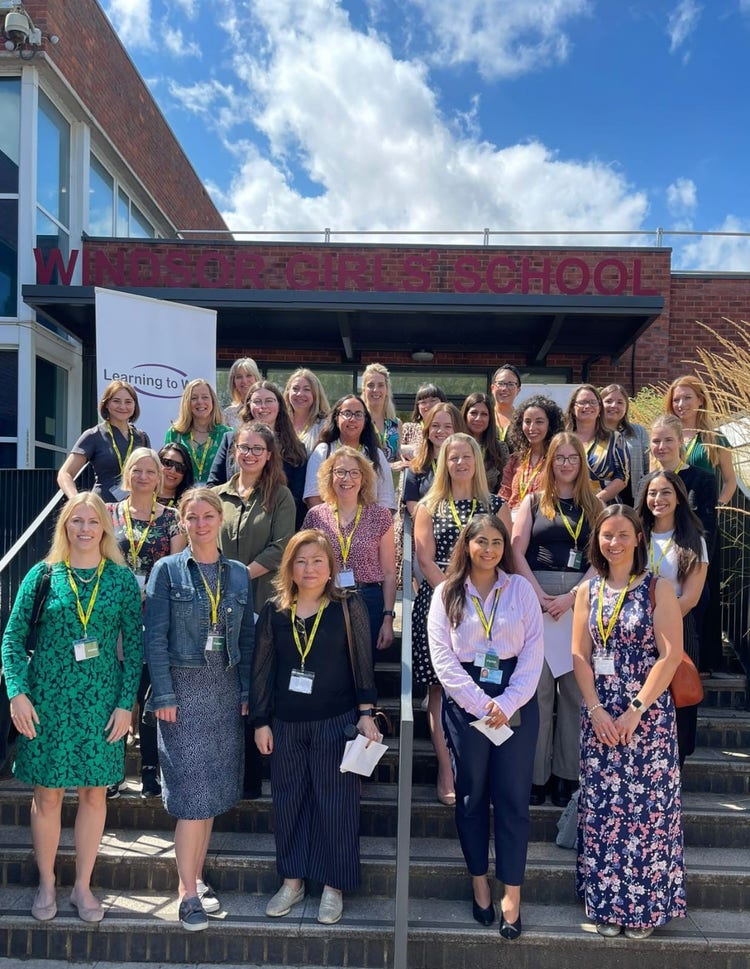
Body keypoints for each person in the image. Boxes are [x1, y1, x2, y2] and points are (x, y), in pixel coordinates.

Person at [1, 492, 142, 923]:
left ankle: (82, 886)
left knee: (94, 794)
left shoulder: (119, 580)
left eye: (93, 521)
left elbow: (134, 650)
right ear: (64, 526)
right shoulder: (43, 575)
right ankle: (46, 883)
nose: (84, 528)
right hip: (46, 703)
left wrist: (125, 706)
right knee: (47, 796)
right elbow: (11, 639)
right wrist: (17, 693)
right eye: (76, 521)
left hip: (101, 705)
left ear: (105, 527)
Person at [252, 530, 379, 926]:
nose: (309, 569)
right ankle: (292, 881)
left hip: (336, 723)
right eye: (301, 561)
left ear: (330, 569)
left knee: (336, 806)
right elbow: (262, 669)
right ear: (289, 567)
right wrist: (260, 721)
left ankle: (333, 885)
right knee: (288, 803)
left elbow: (363, 662)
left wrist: (366, 712)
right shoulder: (275, 609)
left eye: (317, 562)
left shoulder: (348, 605)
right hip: (287, 725)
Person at [572, 505, 686, 939]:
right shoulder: (588, 591)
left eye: (622, 534)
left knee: (647, 813)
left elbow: (670, 654)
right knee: (603, 811)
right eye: (606, 535)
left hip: (647, 715)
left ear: (638, 538)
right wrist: (598, 709)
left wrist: (635, 709)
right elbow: (580, 654)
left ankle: (646, 908)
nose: (614, 542)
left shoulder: (659, 589)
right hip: (600, 713)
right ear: (597, 541)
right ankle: (604, 904)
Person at [144, 488, 255, 932]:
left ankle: (196, 876)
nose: (202, 524)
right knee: (190, 799)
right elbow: (154, 639)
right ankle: (186, 893)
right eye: (193, 517)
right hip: (183, 693)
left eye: (209, 516)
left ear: (221, 520)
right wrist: (164, 696)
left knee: (209, 796)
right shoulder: (166, 571)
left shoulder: (240, 574)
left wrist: (246, 690)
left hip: (224, 691)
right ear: (183, 523)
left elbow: (245, 639)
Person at [427, 514, 543, 938]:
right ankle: (479, 883)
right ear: (467, 545)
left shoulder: (521, 591)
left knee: (513, 799)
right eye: (481, 541)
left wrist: (507, 703)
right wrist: (480, 704)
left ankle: (512, 894)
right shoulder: (446, 593)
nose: (490, 549)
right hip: (465, 701)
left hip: (515, 699)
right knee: (472, 797)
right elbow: (442, 659)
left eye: (497, 542)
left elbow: (533, 655)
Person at [413, 433, 511, 805]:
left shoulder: (495, 505)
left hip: (490, 609)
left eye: (466, 456)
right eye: (452, 457)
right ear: (443, 462)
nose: (459, 463)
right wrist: (457, 598)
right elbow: (425, 560)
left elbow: (506, 559)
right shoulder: (429, 506)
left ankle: (478, 767)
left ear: (476, 460)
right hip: (443, 605)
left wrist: (478, 602)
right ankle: (446, 768)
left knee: (486, 685)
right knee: (440, 689)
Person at [512, 432, 600, 807]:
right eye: (559, 457)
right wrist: (536, 594)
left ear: (581, 463)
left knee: (575, 693)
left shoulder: (594, 505)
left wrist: (572, 596)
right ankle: (536, 776)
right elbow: (516, 550)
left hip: (578, 599)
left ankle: (568, 774)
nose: (566, 463)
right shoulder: (533, 502)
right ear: (550, 462)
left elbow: (602, 556)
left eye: (572, 457)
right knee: (538, 690)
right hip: (538, 598)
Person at [213, 422, 295, 799]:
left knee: (258, 686)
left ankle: (254, 774)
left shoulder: (280, 496)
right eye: (243, 448)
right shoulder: (216, 496)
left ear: (269, 455)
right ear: (233, 451)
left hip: (262, 604)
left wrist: (239, 575)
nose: (248, 454)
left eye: (256, 449)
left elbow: (281, 548)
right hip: (217, 609)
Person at [107, 448, 186, 798]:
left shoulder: (171, 518)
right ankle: (112, 769)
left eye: (150, 471)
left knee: (150, 694)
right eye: (136, 470)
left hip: (155, 615)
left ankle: (151, 770)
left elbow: (177, 566)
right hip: (115, 616)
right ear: (128, 474)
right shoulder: (109, 513)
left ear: (159, 477)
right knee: (116, 692)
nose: (143, 477)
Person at [637, 470, 708, 765]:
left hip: (677, 631)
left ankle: (672, 779)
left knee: (677, 707)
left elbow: (690, 598)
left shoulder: (693, 540)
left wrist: (655, 624)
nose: (658, 499)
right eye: (652, 493)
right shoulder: (635, 534)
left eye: (666, 492)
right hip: (634, 634)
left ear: (679, 497)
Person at [303, 446, 397, 658]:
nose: (347, 479)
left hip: (367, 600)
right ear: (330, 476)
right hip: (325, 598)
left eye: (354, 472)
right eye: (340, 472)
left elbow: (390, 572)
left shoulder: (380, 516)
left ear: (364, 478)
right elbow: (302, 562)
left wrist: (388, 617)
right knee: (327, 668)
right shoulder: (315, 516)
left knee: (363, 672)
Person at [648, 414, 720, 674]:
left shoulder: (701, 479)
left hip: (687, 582)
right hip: (649, 599)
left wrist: (696, 568)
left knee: (681, 674)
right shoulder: (647, 481)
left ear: (681, 442)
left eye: (668, 440)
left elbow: (708, 528)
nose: (662, 446)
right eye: (656, 441)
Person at [209, 381, 307, 526]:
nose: (263, 406)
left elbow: (297, 498)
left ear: (279, 406)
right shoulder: (230, 440)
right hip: (231, 524)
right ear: (248, 406)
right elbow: (213, 484)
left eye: (269, 401)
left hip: (277, 527)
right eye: (257, 401)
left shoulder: (296, 448)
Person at [57, 380, 151, 503]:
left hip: (136, 508)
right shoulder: (93, 435)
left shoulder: (141, 437)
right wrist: (76, 501)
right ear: (106, 404)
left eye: (128, 402)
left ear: (135, 405)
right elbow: (65, 473)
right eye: (116, 401)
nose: (123, 406)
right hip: (103, 508)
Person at [303, 395, 396, 510]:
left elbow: (387, 501)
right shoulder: (323, 451)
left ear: (365, 421)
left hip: (369, 526)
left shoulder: (376, 454)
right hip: (327, 525)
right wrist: (330, 524)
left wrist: (372, 526)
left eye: (358, 414)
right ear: (337, 418)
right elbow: (313, 497)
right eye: (347, 413)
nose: (352, 419)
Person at [665, 373, 737, 506]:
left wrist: (718, 506)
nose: (681, 404)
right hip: (668, 513)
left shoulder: (715, 438)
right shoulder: (663, 438)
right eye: (676, 400)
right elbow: (653, 476)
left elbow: (730, 480)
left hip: (701, 513)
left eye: (687, 398)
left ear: (700, 400)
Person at [500, 395, 564, 517]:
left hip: (544, 521)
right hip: (514, 522)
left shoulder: (558, 459)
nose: (531, 428)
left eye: (539, 422)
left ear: (550, 425)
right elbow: (505, 494)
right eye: (527, 421)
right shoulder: (515, 459)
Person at [564, 384, 628, 503]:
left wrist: (596, 501)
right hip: (568, 506)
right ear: (573, 408)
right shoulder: (563, 440)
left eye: (593, 402)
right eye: (582, 402)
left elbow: (622, 477)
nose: (588, 406)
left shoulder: (614, 438)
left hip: (604, 506)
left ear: (599, 409)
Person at [402, 402, 465, 518]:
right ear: (428, 430)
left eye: (448, 426)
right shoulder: (416, 468)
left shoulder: (466, 466)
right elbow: (413, 507)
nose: (441, 431)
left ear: (457, 430)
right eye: (435, 425)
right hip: (428, 529)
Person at [164, 379, 231, 485]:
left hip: (217, 498)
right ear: (186, 403)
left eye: (205, 397)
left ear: (213, 401)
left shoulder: (227, 435)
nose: (200, 402)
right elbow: (166, 471)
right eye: (194, 398)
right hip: (182, 498)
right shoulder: (175, 434)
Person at [601, 383, 650, 506]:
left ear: (626, 407)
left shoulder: (639, 432)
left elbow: (648, 466)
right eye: (608, 401)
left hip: (633, 497)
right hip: (601, 497)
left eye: (620, 402)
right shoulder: (592, 433)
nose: (614, 406)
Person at [461, 392, 509, 492]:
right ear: (465, 414)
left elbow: (503, 488)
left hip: (488, 505)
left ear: (490, 418)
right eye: (473, 413)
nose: (478, 418)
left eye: (484, 414)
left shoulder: (499, 449)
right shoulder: (453, 446)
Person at [361, 363, 401, 466]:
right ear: (364, 390)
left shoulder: (396, 424)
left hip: (390, 481)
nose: (376, 390)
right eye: (370, 385)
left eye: (381, 385)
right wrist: (389, 466)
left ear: (387, 390)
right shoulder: (358, 422)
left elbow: (398, 457)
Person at [283, 367, 330, 455]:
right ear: (288, 392)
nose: (300, 394)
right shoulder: (280, 422)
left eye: (307, 389)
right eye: (295, 389)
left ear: (316, 394)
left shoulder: (324, 426)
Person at [400, 383, 447, 465]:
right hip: (413, 475)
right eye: (423, 402)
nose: (428, 405)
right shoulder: (408, 428)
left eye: (433, 401)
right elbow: (396, 452)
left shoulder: (450, 427)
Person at [222, 358, 261, 429]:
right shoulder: (228, 414)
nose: (244, 381)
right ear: (234, 382)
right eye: (239, 377)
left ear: (256, 378)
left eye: (249, 375)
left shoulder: (266, 408)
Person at [157, 442, 195, 507]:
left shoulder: (190, 503)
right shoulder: (141, 494)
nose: (173, 471)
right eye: (168, 463)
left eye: (180, 467)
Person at [490, 364, 522, 441]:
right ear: (492, 388)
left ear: (518, 390)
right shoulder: (484, 416)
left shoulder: (522, 419)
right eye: (500, 383)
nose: (504, 388)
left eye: (510, 384)